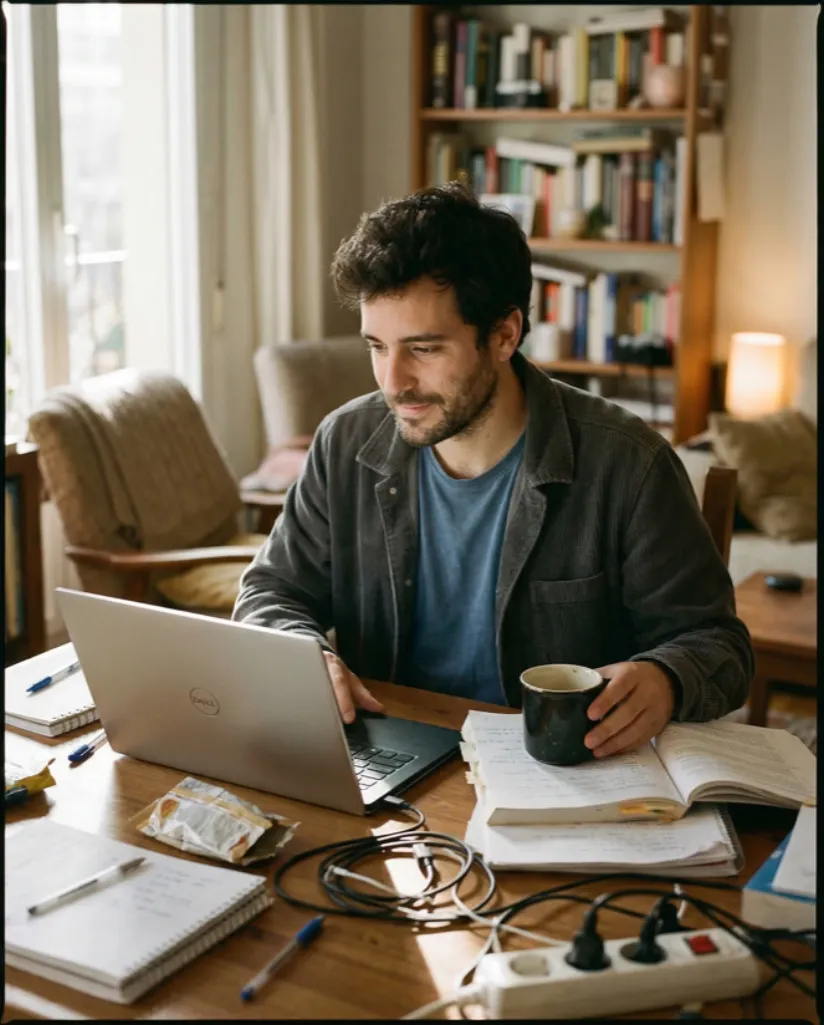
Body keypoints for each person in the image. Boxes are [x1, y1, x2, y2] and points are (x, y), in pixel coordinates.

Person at [233, 183, 753, 760]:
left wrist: (667, 677)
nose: (393, 381)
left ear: (504, 334)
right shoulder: (344, 443)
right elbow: (272, 590)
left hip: (558, 770)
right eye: (377, 346)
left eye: (424, 349)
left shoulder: (629, 463)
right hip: (389, 756)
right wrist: (303, 651)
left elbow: (718, 644)